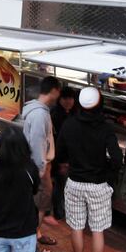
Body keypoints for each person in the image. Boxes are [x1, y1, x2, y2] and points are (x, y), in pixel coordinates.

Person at [56, 87, 122, 252]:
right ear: (100, 104)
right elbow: (117, 159)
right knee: (97, 229)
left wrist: (68, 164)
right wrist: (108, 173)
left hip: (75, 183)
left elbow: (60, 153)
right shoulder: (105, 127)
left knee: (76, 227)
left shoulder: (69, 124)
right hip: (98, 185)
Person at [22, 76, 62, 252]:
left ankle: (36, 234)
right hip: (39, 167)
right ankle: (33, 241)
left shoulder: (39, 111)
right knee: (38, 204)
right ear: (53, 91)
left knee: (39, 204)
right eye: (58, 91)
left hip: (40, 165)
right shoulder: (39, 114)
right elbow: (38, 144)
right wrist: (41, 169)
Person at [50, 87, 77, 220]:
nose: (68, 101)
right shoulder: (55, 115)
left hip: (70, 157)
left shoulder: (74, 114)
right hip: (59, 156)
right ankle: (58, 212)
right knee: (60, 184)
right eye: (65, 98)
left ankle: (62, 211)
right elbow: (58, 141)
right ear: (60, 99)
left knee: (64, 185)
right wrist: (62, 161)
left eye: (71, 98)